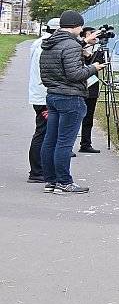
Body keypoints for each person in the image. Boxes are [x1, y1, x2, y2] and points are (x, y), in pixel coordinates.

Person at [39, 10, 107, 194]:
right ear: (77, 26)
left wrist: (84, 42)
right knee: (64, 142)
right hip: (70, 97)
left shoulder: (50, 43)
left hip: (53, 94)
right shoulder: (70, 46)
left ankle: (51, 181)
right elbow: (74, 74)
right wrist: (93, 67)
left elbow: (66, 53)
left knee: (50, 140)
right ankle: (64, 181)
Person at [27, 17, 60, 182]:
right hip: (44, 95)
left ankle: (39, 168)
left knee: (43, 131)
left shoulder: (38, 43)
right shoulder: (47, 46)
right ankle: (37, 170)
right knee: (43, 133)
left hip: (38, 93)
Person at [77, 26, 106, 154]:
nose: (95, 37)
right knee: (75, 117)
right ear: (84, 37)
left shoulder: (98, 51)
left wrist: (90, 55)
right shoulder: (75, 48)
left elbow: (100, 65)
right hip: (79, 87)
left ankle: (86, 143)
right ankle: (68, 146)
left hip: (92, 87)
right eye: (91, 34)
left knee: (89, 118)